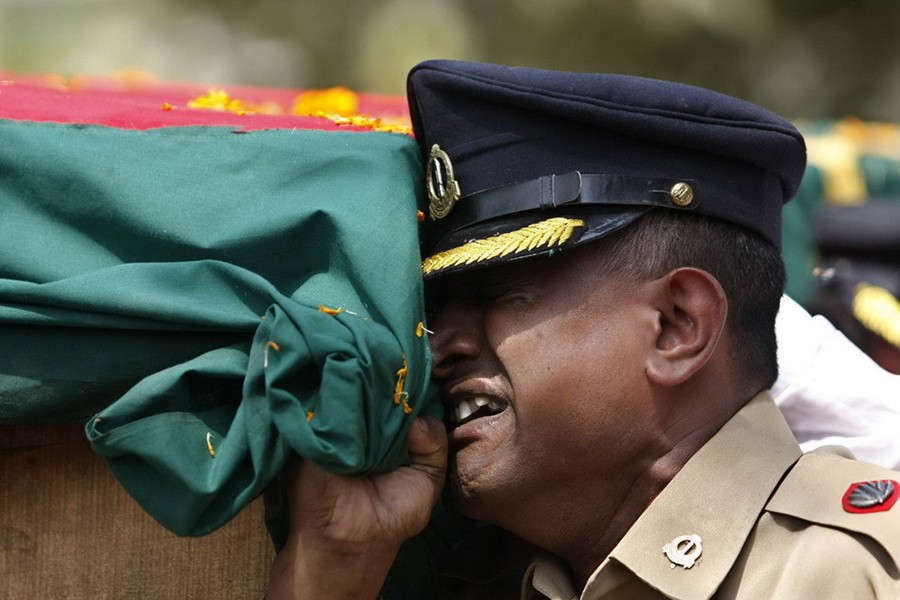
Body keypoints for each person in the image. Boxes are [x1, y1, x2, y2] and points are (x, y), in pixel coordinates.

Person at [267, 60, 900, 599]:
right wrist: (333, 571)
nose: (439, 343)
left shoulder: (857, 572)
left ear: (676, 326)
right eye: (436, 307)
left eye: (501, 292)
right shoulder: (483, 576)